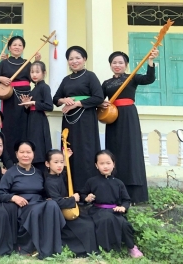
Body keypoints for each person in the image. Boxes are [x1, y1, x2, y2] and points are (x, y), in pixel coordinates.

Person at [100, 49, 158, 204]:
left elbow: (149, 79)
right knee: (114, 151)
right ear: (110, 65)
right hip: (113, 118)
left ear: (126, 65)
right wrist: (101, 102)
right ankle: (116, 190)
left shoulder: (132, 77)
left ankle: (135, 194)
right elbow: (98, 98)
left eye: (120, 62)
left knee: (131, 151)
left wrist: (150, 62)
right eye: (114, 62)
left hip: (129, 116)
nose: (117, 65)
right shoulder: (107, 83)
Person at [0, 140, 65, 259]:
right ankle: (30, 247)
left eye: (28, 152)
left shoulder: (38, 172)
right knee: (40, 209)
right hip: (23, 207)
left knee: (53, 204)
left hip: (39, 203)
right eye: (22, 152)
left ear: (33, 154)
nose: (25, 155)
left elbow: (50, 185)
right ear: (17, 154)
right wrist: (13, 197)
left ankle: (51, 249)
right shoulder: (11, 173)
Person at [53, 46, 104, 193]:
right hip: (69, 122)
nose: (74, 61)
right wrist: (65, 100)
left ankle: (88, 191)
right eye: (71, 59)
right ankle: (70, 189)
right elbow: (55, 99)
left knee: (86, 153)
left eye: (78, 58)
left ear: (84, 59)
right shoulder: (66, 79)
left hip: (86, 120)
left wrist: (75, 103)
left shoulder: (90, 76)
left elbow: (98, 97)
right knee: (70, 152)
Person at [80, 150, 143, 258]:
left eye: (108, 163)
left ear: (113, 164)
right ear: (96, 165)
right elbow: (82, 194)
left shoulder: (118, 183)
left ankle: (131, 247)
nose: (105, 166)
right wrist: (87, 198)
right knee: (106, 219)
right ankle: (107, 248)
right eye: (102, 163)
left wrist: (123, 207)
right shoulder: (92, 181)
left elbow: (126, 200)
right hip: (98, 211)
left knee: (125, 224)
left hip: (114, 211)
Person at [0, 36, 40, 162]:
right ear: (9, 47)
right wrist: (0, 79)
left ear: (23, 48)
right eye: (14, 45)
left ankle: (24, 157)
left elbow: (36, 79)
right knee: (8, 127)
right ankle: (8, 159)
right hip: (9, 97)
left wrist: (37, 63)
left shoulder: (28, 63)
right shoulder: (4, 63)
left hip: (25, 98)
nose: (17, 47)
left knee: (24, 126)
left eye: (20, 45)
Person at [43, 149, 98, 257]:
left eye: (61, 162)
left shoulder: (59, 175)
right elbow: (57, 202)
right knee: (86, 226)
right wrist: (73, 199)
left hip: (69, 208)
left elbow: (65, 172)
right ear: (47, 164)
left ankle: (91, 250)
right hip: (62, 214)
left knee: (90, 221)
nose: (59, 165)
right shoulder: (50, 182)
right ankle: (82, 251)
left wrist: (66, 158)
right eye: (56, 162)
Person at [19, 61, 53, 171]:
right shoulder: (34, 88)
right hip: (32, 120)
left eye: (37, 72)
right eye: (32, 72)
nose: (34, 74)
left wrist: (34, 103)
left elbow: (49, 106)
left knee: (39, 147)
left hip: (39, 121)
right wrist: (26, 106)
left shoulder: (44, 87)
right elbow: (30, 108)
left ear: (44, 73)